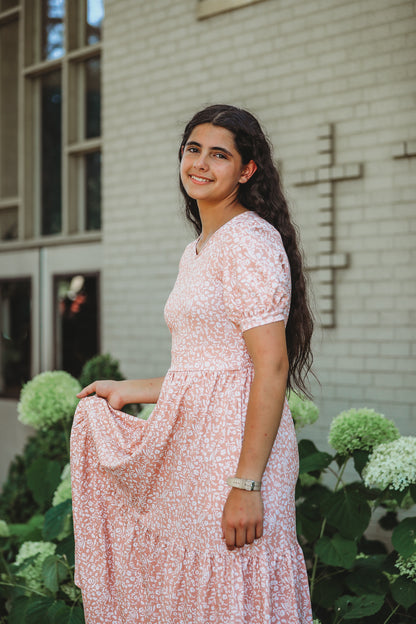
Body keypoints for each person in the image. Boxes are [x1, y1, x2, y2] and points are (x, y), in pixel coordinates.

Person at [71, 104, 314, 624]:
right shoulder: (199, 249)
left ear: (246, 170)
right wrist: (128, 388)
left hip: (235, 452)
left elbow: (269, 368)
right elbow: (212, 368)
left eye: (219, 154)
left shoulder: (249, 241)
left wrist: (247, 484)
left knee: (231, 578)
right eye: (193, 149)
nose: (200, 164)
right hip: (191, 441)